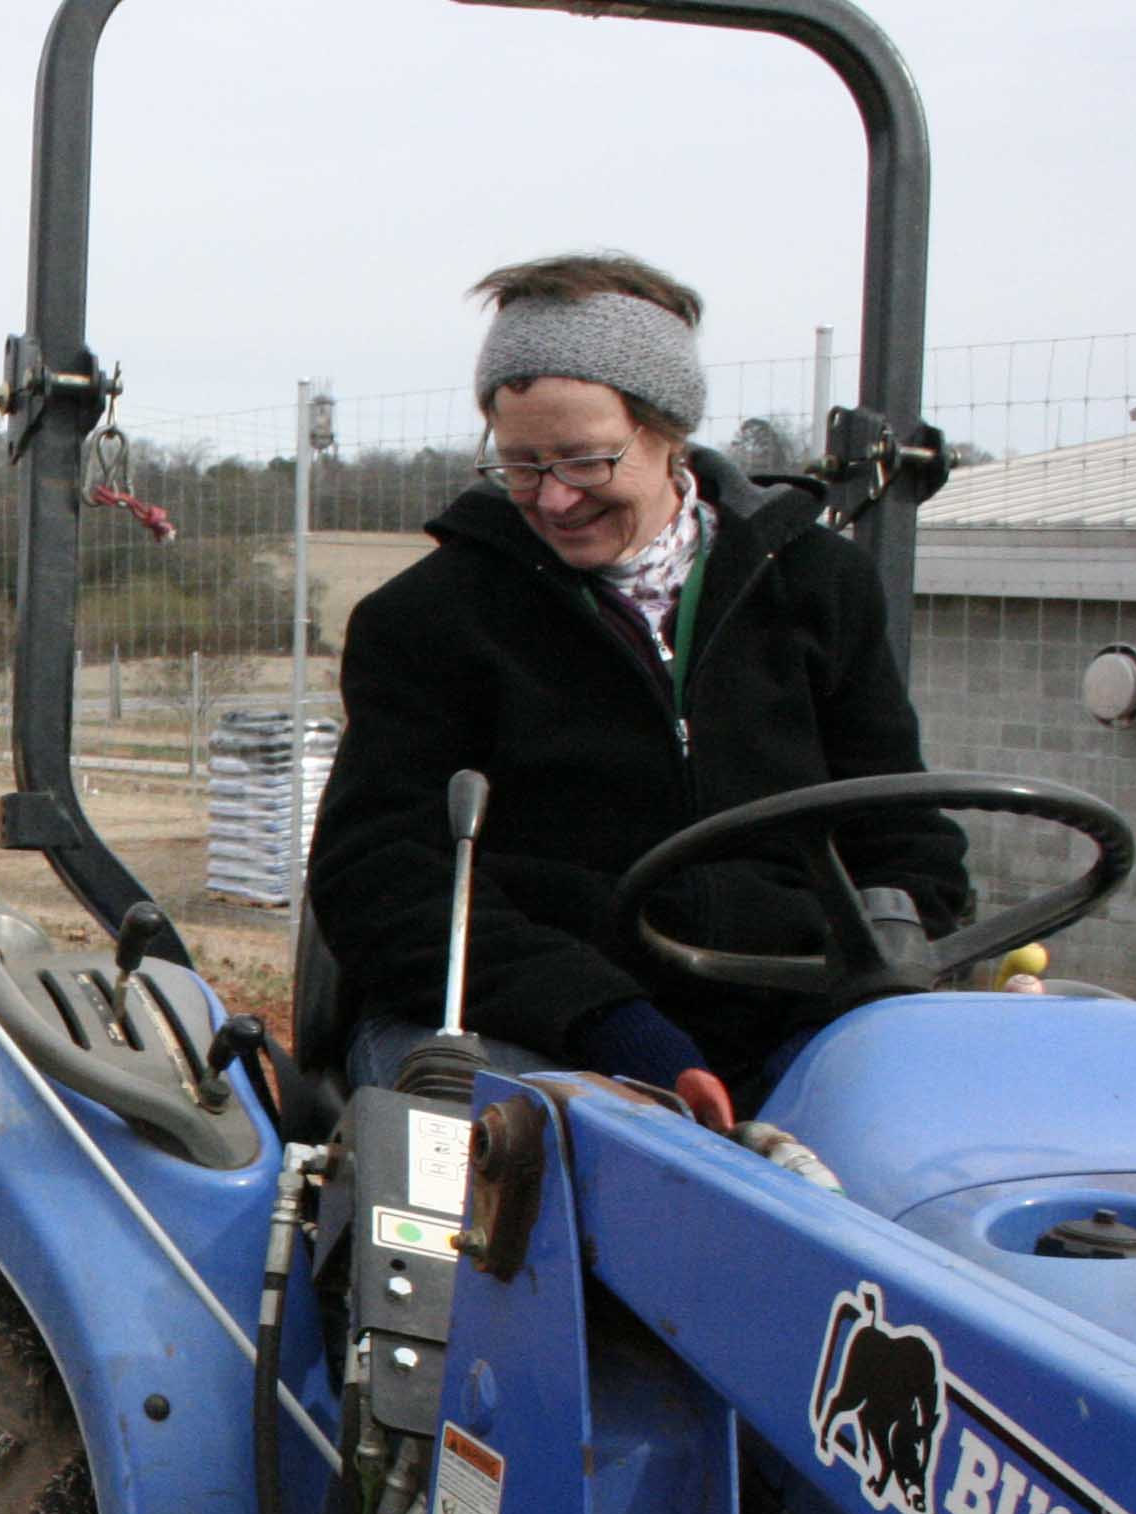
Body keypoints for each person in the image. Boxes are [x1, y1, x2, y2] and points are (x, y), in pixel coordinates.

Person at [308, 251, 968, 1103]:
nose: (552, 500)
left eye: (585, 462)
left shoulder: (815, 585)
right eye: (519, 465)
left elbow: (904, 838)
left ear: (668, 435)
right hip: (533, 1020)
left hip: (788, 1011)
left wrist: (864, 997)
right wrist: (606, 1022)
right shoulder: (431, 619)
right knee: (547, 1183)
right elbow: (380, 879)